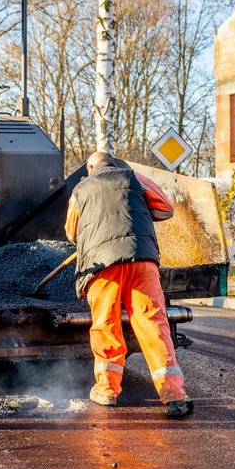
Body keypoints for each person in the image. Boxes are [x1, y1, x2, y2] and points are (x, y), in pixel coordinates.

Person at [64, 151, 194, 419]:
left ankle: (107, 391)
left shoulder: (81, 189)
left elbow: (71, 232)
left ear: (90, 167)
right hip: (141, 259)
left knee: (106, 324)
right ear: (115, 163)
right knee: (153, 324)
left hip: (102, 266)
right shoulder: (135, 177)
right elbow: (165, 209)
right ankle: (174, 397)